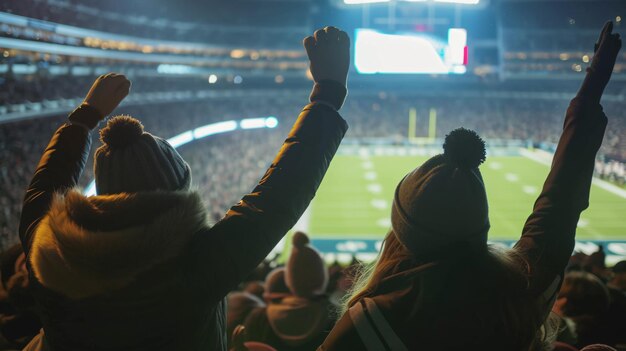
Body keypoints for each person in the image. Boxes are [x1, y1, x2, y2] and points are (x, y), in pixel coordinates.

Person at [18, 26, 350, 350]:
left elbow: (44, 189)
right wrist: (327, 95)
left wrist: (82, 119)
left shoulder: (49, 249)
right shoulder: (193, 267)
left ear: (106, 192)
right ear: (178, 193)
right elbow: (279, 195)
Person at [320, 22, 621, 351]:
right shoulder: (518, 293)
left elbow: (560, 205)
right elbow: (560, 205)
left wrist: (325, 96)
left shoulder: (371, 319)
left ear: (402, 231)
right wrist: (591, 92)